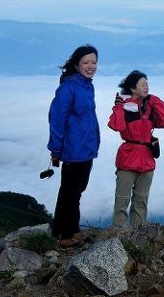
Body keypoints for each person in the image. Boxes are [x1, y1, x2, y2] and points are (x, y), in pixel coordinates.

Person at [47, 44, 100, 247]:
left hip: (86, 147)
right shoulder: (68, 88)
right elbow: (56, 119)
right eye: (86, 62)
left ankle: (73, 228)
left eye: (94, 62)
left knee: (77, 190)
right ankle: (64, 233)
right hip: (72, 149)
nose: (90, 66)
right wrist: (55, 149)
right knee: (69, 191)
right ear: (76, 64)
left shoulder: (87, 85)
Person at [108, 70, 164, 227]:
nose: (146, 87)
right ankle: (118, 235)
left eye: (147, 84)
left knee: (141, 200)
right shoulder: (124, 106)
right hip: (129, 157)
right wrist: (118, 107)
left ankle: (138, 235)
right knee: (122, 200)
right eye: (142, 84)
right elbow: (116, 125)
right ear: (132, 88)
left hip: (146, 159)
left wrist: (153, 99)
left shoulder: (148, 106)